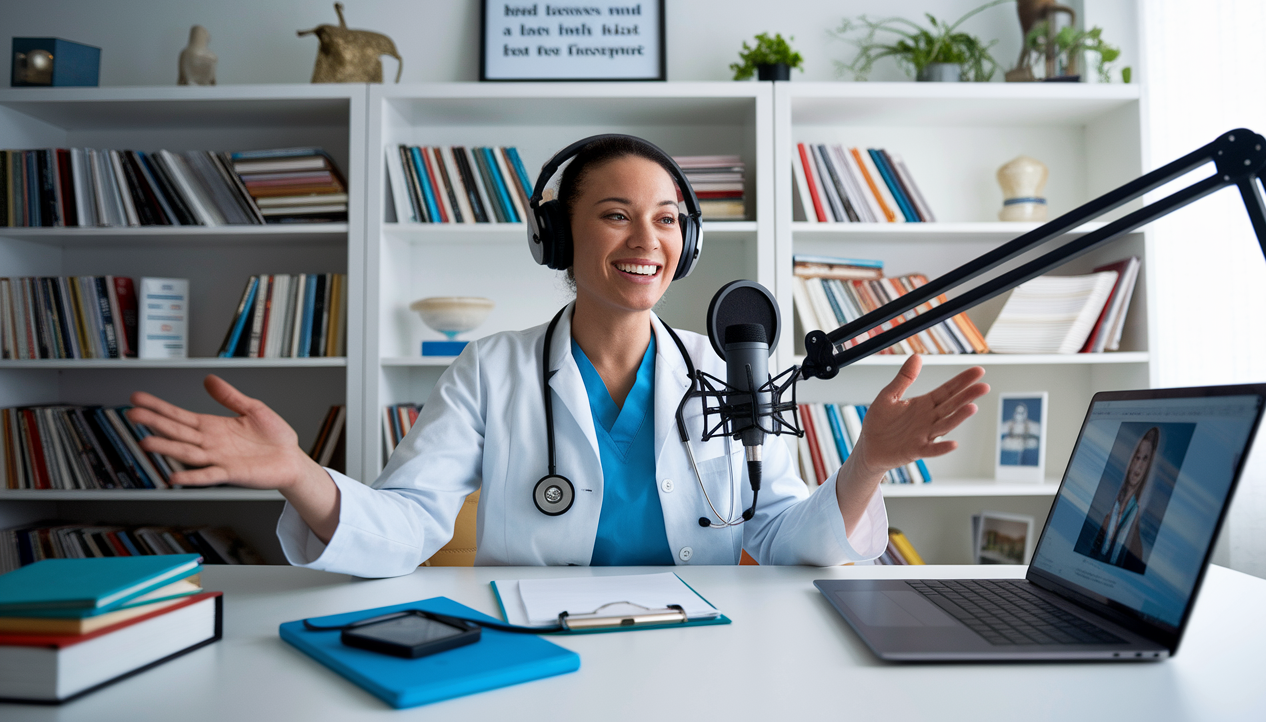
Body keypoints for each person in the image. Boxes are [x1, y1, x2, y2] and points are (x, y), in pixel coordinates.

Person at [127, 136, 989, 578]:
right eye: (615, 214)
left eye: (666, 218)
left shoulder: (734, 364)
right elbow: (411, 526)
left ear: (686, 245)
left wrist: (868, 465)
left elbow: (782, 533)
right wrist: (297, 475)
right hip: (538, 640)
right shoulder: (490, 369)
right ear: (559, 236)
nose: (645, 238)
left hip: (709, 635)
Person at [1088, 426, 1159, 570]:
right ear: (1130, 460)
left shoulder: (1136, 527)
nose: (1138, 466)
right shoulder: (1109, 513)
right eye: (1137, 458)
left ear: (1149, 466)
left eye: (1145, 459)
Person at [999, 401, 1041, 466]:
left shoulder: (1031, 425)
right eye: (1017, 413)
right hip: (1010, 452)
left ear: (1025, 413)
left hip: (1026, 451)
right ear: (1014, 413)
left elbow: (1039, 429)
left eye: (1021, 413)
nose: (1019, 415)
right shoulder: (1008, 424)